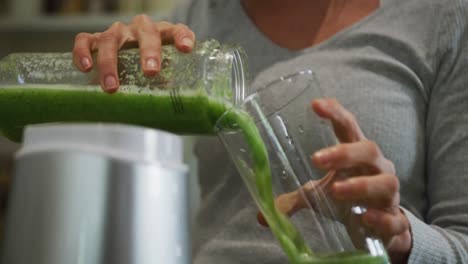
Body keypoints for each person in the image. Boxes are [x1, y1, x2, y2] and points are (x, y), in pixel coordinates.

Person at [72, 0, 468, 263]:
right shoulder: (197, 17)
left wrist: (399, 239)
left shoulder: (441, 18)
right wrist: (111, 74)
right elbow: (99, 154)